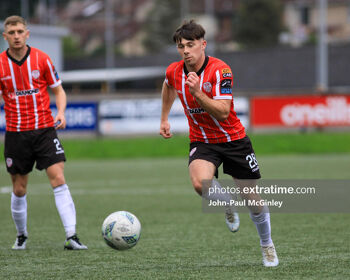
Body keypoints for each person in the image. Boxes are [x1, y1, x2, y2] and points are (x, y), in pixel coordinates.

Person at [160, 20, 278, 267]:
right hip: (203, 141)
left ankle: (267, 245)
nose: (185, 51)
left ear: (203, 44)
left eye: (190, 45)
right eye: (181, 46)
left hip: (234, 140)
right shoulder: (175, 70)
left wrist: (198, 93)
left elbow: (223, 112)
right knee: (199, 183)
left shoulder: (221, 70)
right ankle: (226, 204)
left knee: (252, 199)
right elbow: (168, 85)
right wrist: (164, 118)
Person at [0, 15, 87, 250]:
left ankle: (72, 236)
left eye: (20, 31)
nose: (16, 36)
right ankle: (21, 235)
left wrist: (61, 112)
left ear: (27, 34)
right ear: (5, 36)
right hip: (17, 134)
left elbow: (58, 90)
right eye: (12, 32)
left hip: (45, 130)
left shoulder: (42, 59)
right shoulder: (0, 64)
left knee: (58, 177)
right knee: (19, 188)